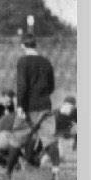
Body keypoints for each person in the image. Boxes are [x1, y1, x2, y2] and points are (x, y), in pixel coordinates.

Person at [15, 36, 58, 167]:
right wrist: (43, 95)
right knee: (48, 139)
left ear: (23, 45)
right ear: (35, 45)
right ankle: (55, 168)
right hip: (45, 104)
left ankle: (9, 171)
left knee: (18, 137)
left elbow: (22, 85)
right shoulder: (46, 61)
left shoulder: (23, 61)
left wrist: (20, 106)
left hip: (29, 105)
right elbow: (52, 86)